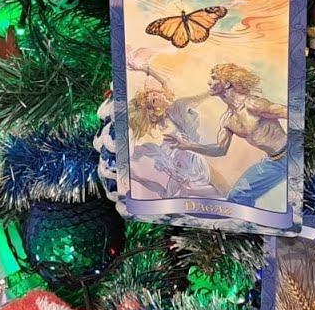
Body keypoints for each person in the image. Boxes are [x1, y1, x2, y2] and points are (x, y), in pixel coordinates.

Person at [168, 62, 289, 206]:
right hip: (274, 162)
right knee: (237, 196)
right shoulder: (227, 120)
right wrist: (187, 145)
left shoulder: (253, 104)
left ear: (226, 83)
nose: (209, 82)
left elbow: (293, 114)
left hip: (294, 153)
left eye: (214, 78)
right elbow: (220, 149)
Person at [124, 53, 217, 198]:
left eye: (154, 94)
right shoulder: (168, 114)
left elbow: (166, 81)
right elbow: (200, 97)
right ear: (155, 108)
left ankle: (138, 178)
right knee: (170, 194)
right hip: (181, 155)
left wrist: (144, 68)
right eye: (153, 100)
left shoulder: (177, 105)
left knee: (176, 193)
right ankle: (136, 178)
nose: (156, 96)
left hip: (188, 155)